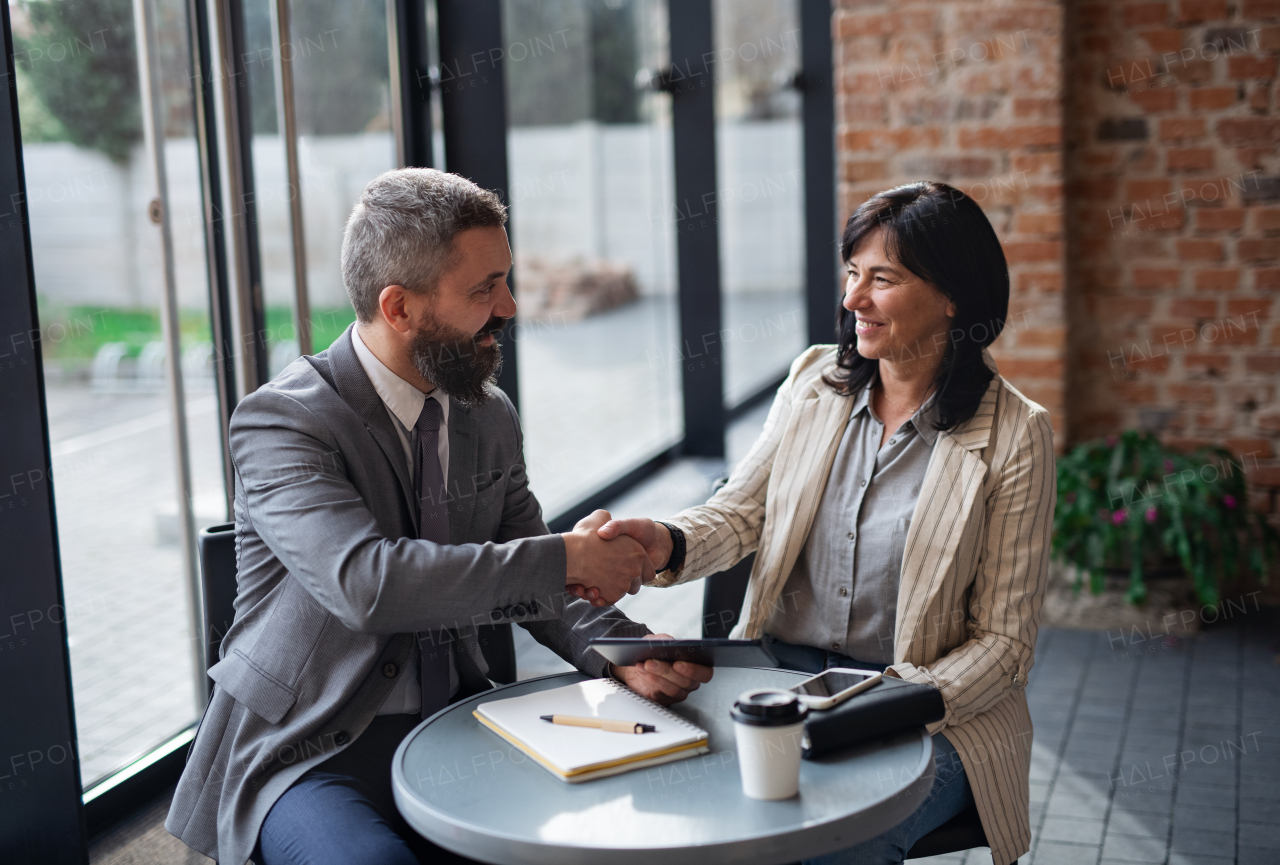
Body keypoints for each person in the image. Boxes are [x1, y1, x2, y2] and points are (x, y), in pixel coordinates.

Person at [166, 168, 712, 865]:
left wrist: (623, 653)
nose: (511, 305)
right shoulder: (283, 422)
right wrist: (570, 556)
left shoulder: (488, 414)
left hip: (460, 720)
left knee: (610, 837)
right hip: (306, 744)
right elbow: (369, 584)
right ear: (399, 308)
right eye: (484, 288)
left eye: (506, 278)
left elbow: (532, 570)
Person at [596, 182, 1055, 865]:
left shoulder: (1016, 434)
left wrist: (887, 706)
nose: (853, 300)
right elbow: (741, 510)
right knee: (677, 809)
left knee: (831, 845)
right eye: (851, 273)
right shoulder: (816, 381)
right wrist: (664, 540)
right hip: (782, 681)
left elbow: (1003, 643)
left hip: (925, 713)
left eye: (882, 279)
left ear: (954, 296)